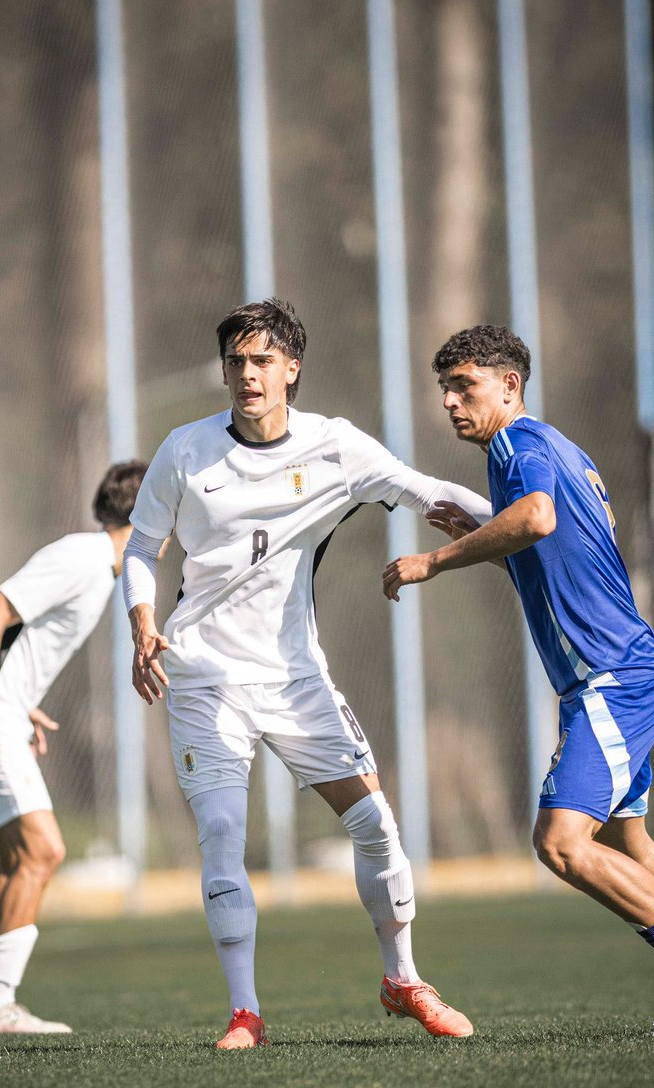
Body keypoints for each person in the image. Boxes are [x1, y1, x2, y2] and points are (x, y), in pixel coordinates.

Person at [123, 297, 494, 1049]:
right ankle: (245, 1012)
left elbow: (427, 491)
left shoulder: (334, 447)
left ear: (292, 368)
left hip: (296, 681)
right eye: (236, 362)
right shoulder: (184, 450)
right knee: (224, 832)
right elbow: (140, 549)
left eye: (262, 360)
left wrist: (528, 517)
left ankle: (404, 979)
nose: (248, 374)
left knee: (375, 825)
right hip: (202, 678)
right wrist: (142, 622)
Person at [381, 324, 654, 1040]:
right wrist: (494, 537)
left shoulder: (517, 446)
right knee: (628, 839)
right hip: (623, 670)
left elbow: (540, 519)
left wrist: (438, 558)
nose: (452, 403)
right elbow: (575, 540)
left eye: (466, 386)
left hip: (611, 676)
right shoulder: (563, 451)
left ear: (509, 386)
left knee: (560, 843)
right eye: (445, 390)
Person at [0, 461, 148, 1035]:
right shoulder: (81, 557)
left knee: (17, 858)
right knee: (44, 851)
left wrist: (16, 698)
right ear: (148, 512)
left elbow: (14, 636)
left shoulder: (101, 568)